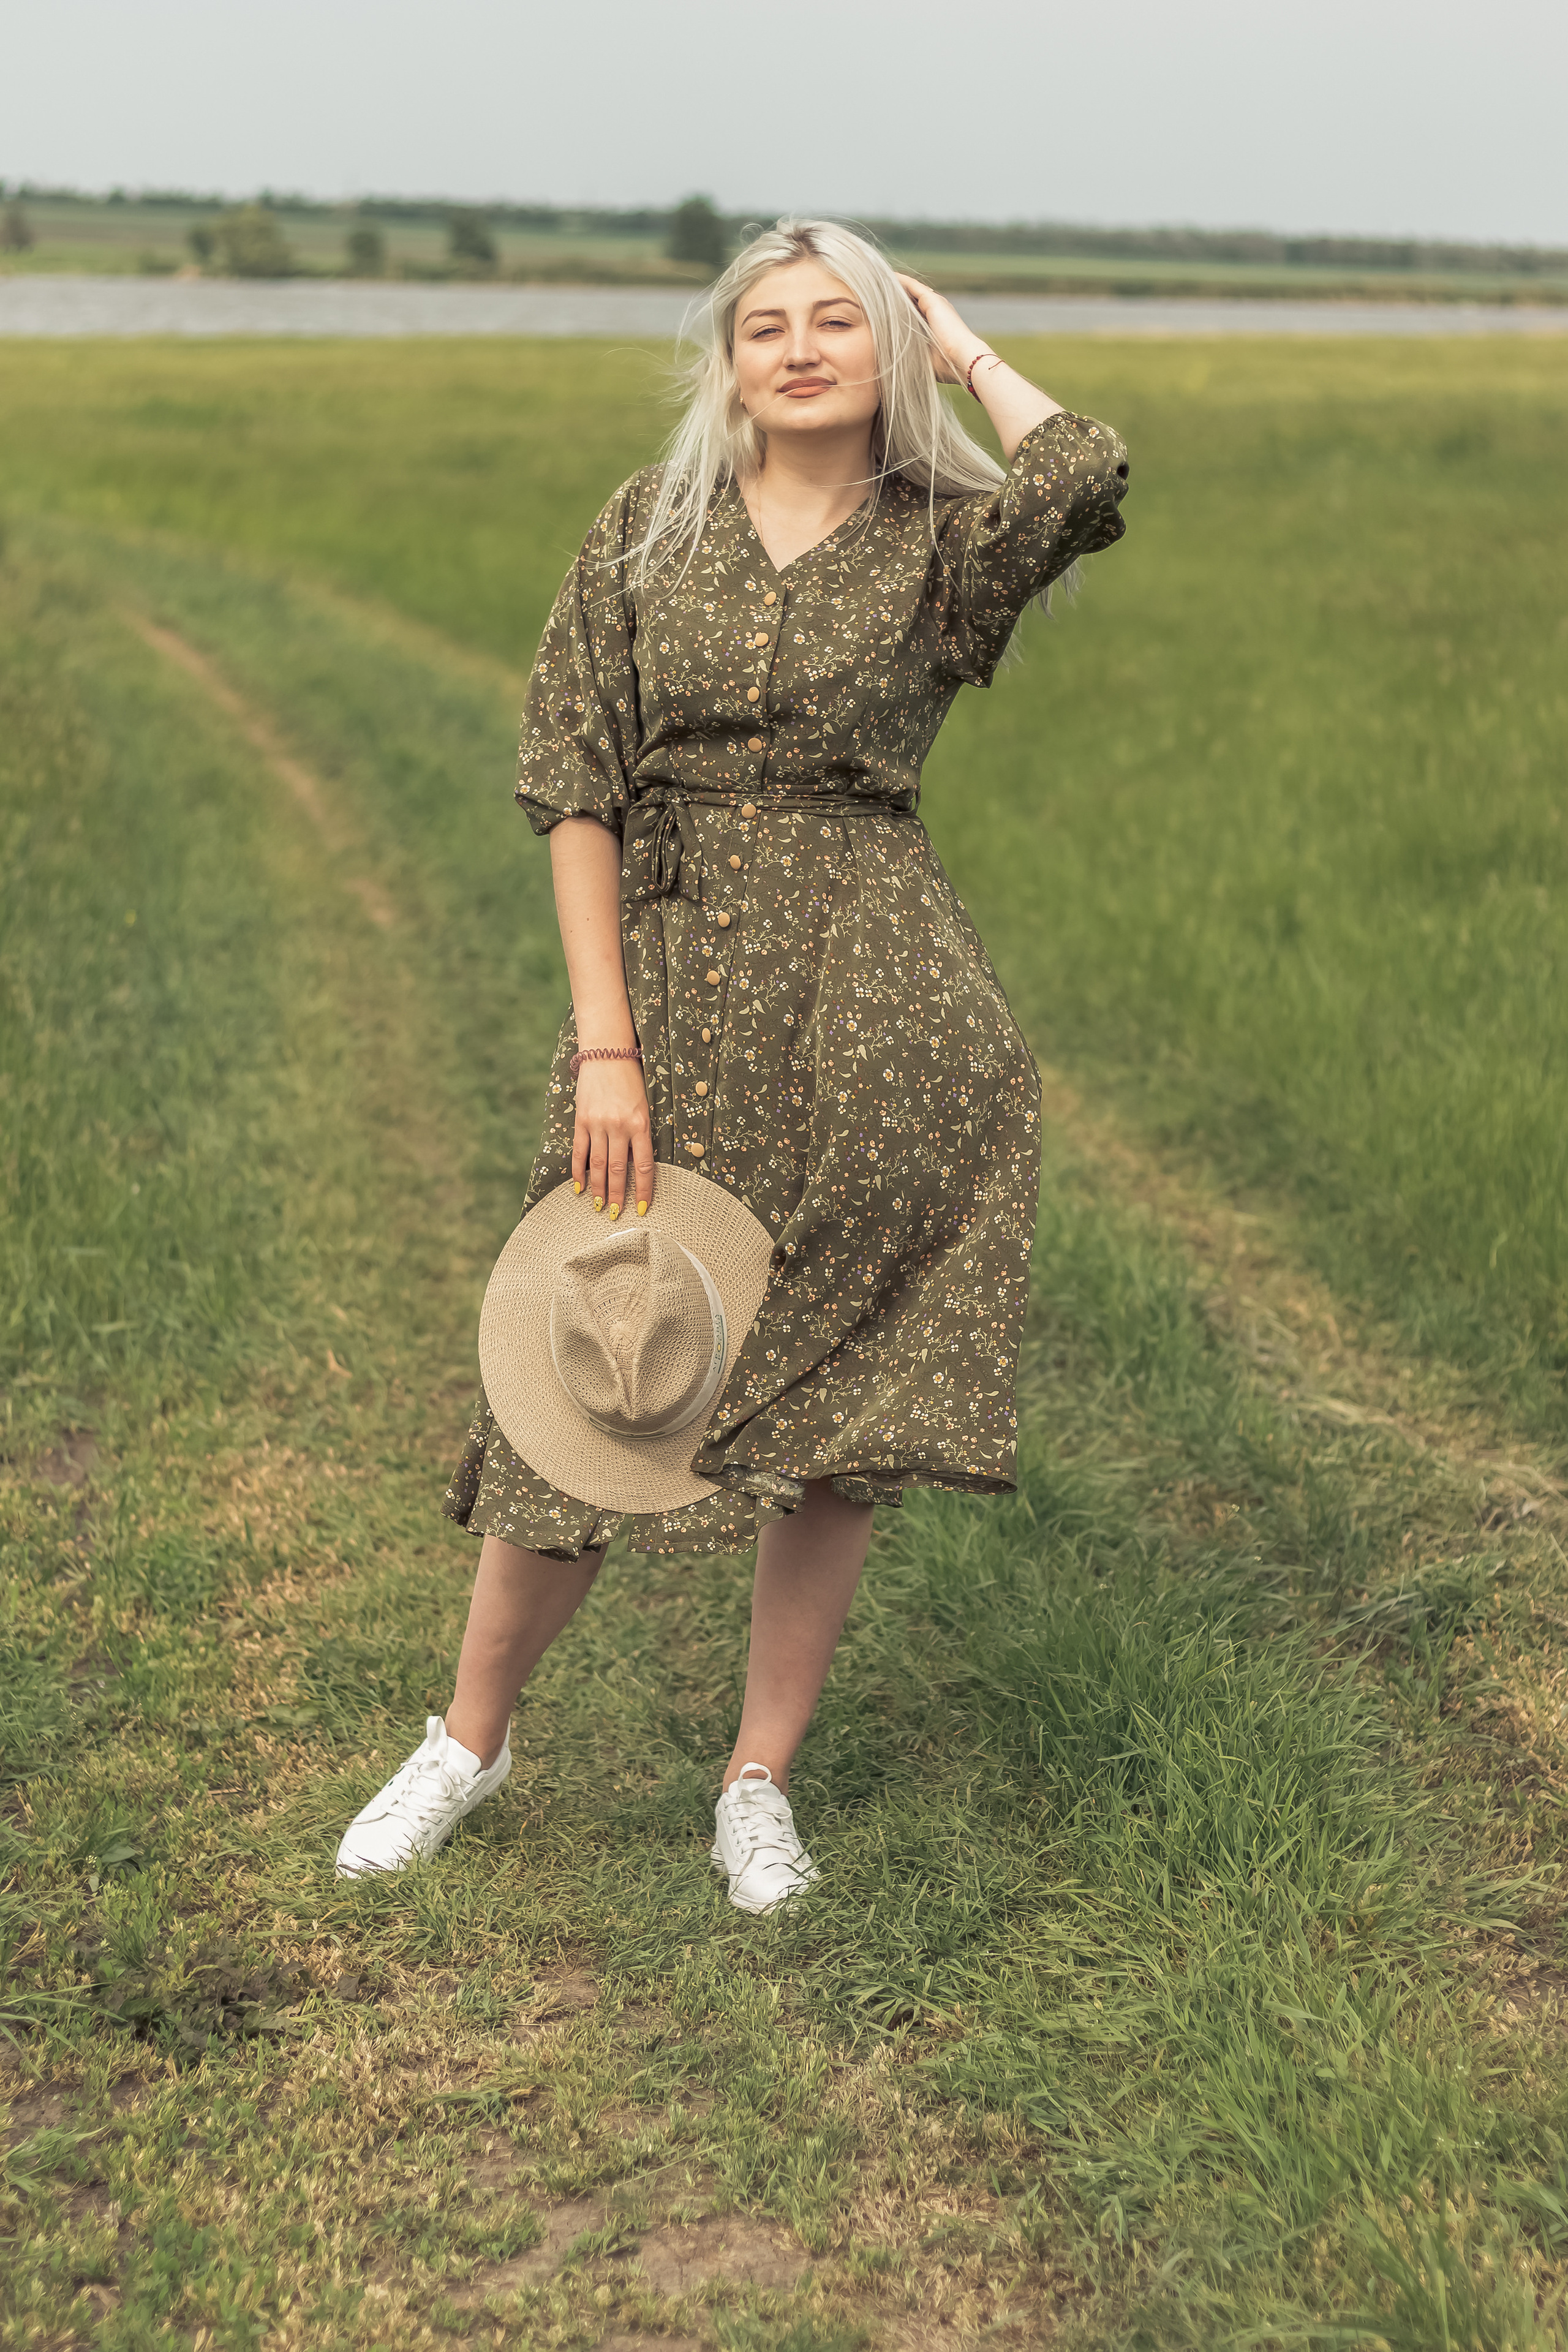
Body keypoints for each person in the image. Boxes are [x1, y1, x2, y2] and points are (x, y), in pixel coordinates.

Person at [335, 217, 1129, 1910]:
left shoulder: (940, 545)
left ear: (886, 355)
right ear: (728, 362)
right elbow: (576, 781)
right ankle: (466, 1741)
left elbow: (1081, 475)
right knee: (586, 1353)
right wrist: (605, 1045)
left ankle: (756, 1782)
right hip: (673, 991)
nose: (800, 348)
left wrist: (958, 339)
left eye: (841, 321)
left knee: (829, 1409)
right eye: (766, 324)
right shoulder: (649, 524)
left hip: (880, 1011)